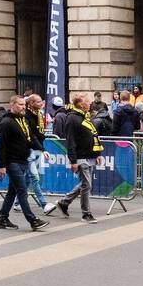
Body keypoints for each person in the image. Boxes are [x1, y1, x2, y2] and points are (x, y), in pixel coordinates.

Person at [0, 95, 48, 231]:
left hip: (23, 160)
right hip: (12, 162)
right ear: (12, 105)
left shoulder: (23, 120)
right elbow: (1, 146)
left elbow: (31, 137)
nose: (23, 107)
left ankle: (3, 218)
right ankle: (32, 220)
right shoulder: (6, 123)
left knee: (12, 192)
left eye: (24, 105)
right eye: (20, 105)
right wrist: (1, 166)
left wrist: (41, 149)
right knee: (22, 190)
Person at [52, 93, 104, 223]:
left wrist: (97, 154)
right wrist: (73, 161)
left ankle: (64, 202)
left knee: (85, 184)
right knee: (87, 185)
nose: (90, 104)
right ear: (81, 104)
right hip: (81, 156)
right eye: (87, 102)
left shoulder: (85, 117)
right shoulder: (72, 118)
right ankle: (86, 214)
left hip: (89, 155)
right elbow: (70, 141)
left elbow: (93, 136)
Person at [25, 93, 53, 215]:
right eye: (38, 102)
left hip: (37, 149)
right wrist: (42, 148)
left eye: (41, 101)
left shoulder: (39, 114)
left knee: (27, 179)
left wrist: (42, 148)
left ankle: (16, 203)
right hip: (29, 150)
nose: (41, 103)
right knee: (35, 178)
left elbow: (39, 133)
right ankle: (44, 204)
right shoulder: (27, 115)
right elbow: (31, 135)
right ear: (31, 103)